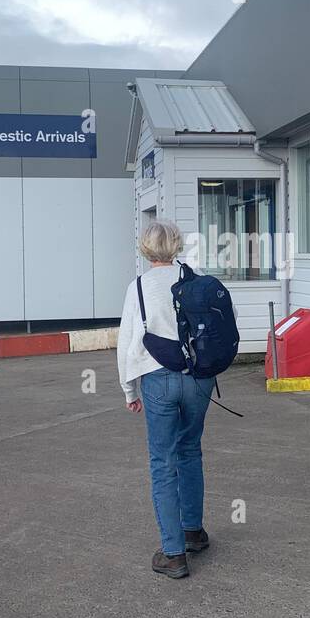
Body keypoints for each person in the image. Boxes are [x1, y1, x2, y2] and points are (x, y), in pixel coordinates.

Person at [117, 220, 215, 580]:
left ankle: (173, 553)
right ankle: (193, 531)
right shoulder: (197, 279)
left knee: (163, 462)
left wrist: (129, 390)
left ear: (145, 248)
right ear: (176, 246)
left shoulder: (139, 287)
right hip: (200, 380)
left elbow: (128, 340)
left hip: (157, 378)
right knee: (190, 449)